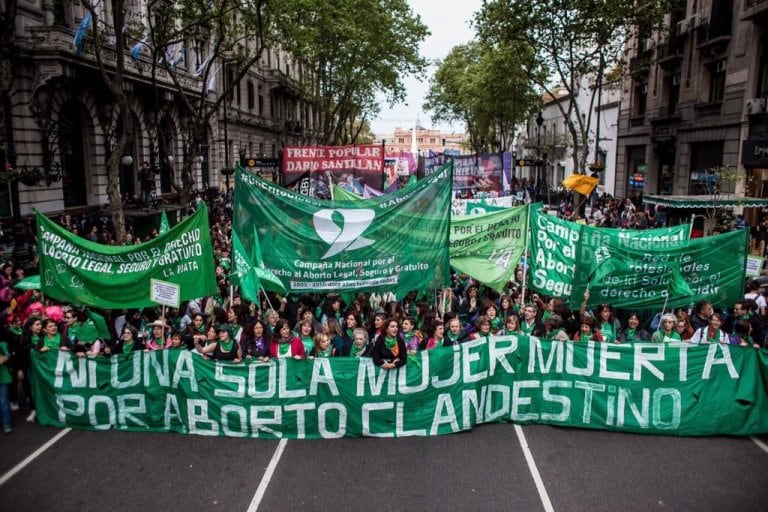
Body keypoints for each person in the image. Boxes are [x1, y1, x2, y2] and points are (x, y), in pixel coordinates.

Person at [0, 333, 13, 433]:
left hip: (2, 377)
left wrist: (5, 357)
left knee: (3, 402)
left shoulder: (3, 343)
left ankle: (6, 424)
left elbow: (7, 356)